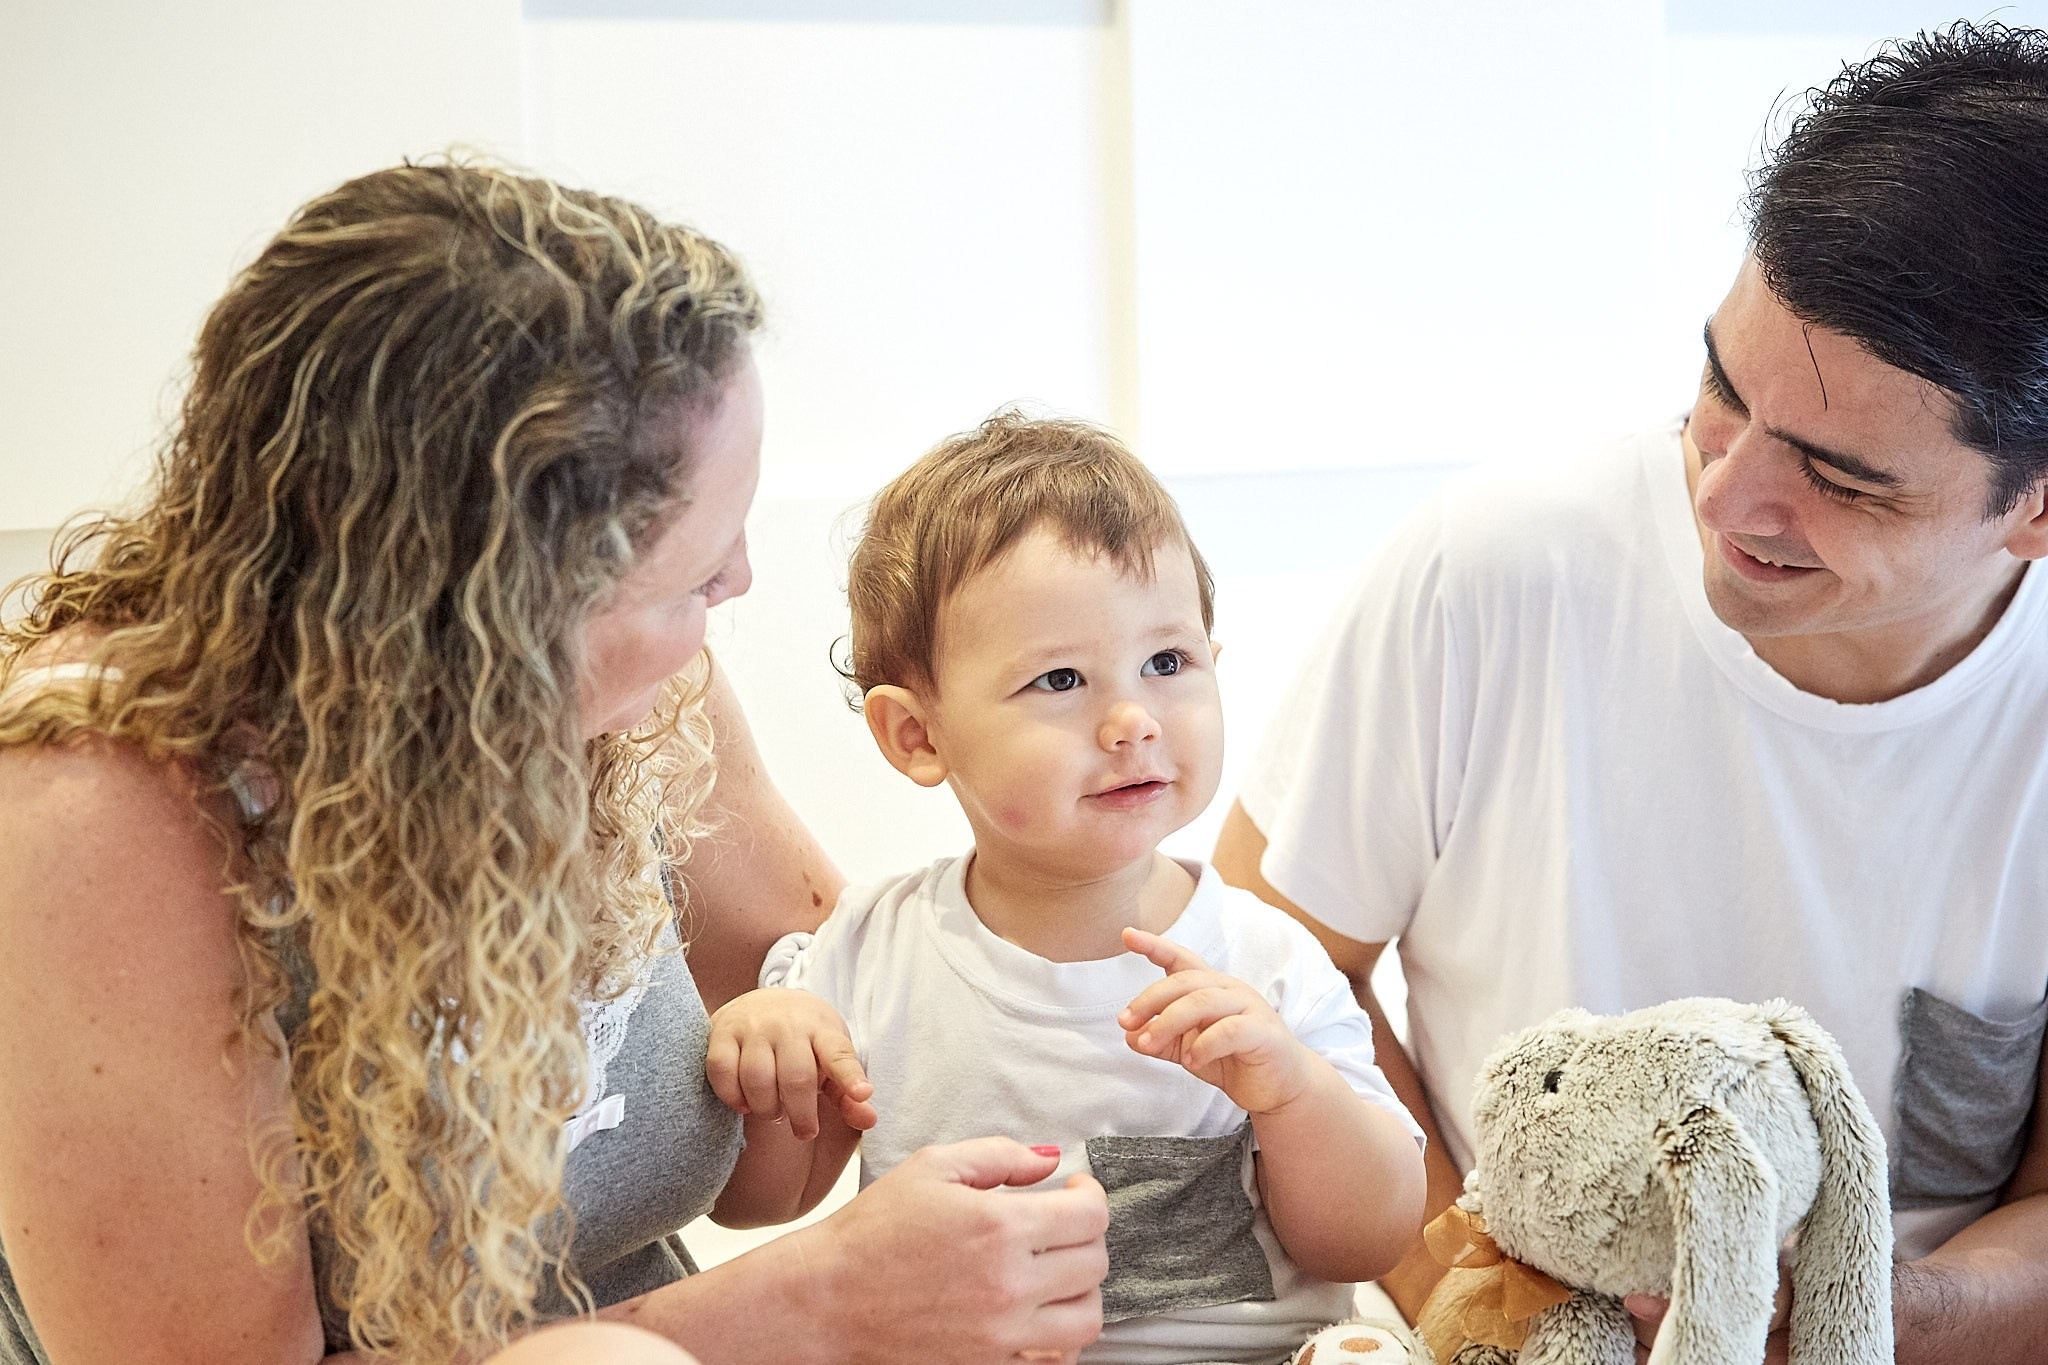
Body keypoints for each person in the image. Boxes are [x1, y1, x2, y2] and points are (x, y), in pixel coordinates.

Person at [0, 161, 1109, 1365]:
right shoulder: (93, 813)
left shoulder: (627, 690)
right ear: (492, 604)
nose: (736, 582)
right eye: (694, 569)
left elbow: (798, 1104)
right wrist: (818, 1305)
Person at [1213, 20, 2048, 1364]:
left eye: (1839, 478)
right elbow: (1262, 975)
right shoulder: (1496, 567)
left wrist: (1858, 1314)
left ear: (2036, 507)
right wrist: (1503, 1306)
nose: (1727, 494)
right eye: (1723, 388)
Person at [704, 414, 1428, 1365]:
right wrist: (766, 1063)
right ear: (918, 737)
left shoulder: (1267, 959)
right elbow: (761, 1201)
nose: (1132, 718)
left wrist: (1291, 1091)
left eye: (1167, 662)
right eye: (1059, 679)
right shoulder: (863, 954)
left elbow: (1372, 1238)